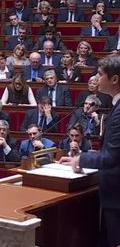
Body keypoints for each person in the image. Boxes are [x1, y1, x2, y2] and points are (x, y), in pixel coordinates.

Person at [60, 56, 120, 245]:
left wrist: (81, 160)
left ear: (115, 79)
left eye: (100, 74)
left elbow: (112, 157)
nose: (96, 77)